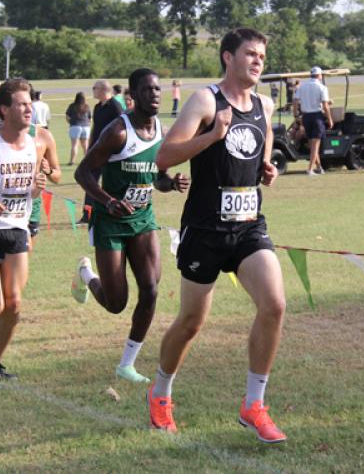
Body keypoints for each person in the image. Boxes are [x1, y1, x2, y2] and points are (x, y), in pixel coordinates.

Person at [147, 28, 287, 444]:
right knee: (191, 322)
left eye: (262, 55)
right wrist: (211, 135)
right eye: (250, 53)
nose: (258, 61)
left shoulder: (265, 103)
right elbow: (164, 156)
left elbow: (260, 152)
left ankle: (254, 405)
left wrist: (267, 169)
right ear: (228, 57)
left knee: (274, 305)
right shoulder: (206, 101)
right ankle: (160, 394)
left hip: (248, 227)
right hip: (205, 230)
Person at [71, 68, 189, 383]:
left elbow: (158, 177)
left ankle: (127, 364)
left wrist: (170, 183)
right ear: (133, 96)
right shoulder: (117, 132)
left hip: (143, 220)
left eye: (158, 89)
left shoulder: (163, 130)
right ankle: (85, 275)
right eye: (147, 90)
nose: (155, 95)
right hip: (110, 222)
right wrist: (107, 199)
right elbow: (82, 173)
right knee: (116, 303)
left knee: (150, 289)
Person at [0, 78, 47, 379]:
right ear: (4, 109)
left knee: (13, 304)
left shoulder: (38, 142)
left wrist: (36, 186)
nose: (28, 108)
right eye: (21, 103)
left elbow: (29, 187)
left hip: (17, 229)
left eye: (30, 103)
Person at [78, 80, 123, 224]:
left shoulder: (115, 106)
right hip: (96, 152)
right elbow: (95, 129)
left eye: (94, 88)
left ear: (103, 90)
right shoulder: (97, 107)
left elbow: (122, 128)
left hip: (112, 154)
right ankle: (87, 214)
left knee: (112, 183)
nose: (92, 90)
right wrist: (89, 148)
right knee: (90, 182)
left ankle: (115, 210)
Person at [293, 66, 333, 176]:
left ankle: (319, 167)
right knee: (315, 146)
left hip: (306, 117)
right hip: (317, 117)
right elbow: (325, 105)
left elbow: (295, 102)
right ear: (319, 76)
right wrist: (330, 119)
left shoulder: (302, 86)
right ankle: (310, 169)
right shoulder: (322, 87)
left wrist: (296, 114)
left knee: (312, 145)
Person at [28, 123, 62, 247]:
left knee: (24, 257)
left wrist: (48, 171)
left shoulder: (43, 136)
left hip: (32, 204)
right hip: (3, 205)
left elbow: (57, 177)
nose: (27, 109)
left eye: (28, 104)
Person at [65, 92, 91, 165]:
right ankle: (88, 160)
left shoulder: (72, 106)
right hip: (86, 127)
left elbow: (67, 117)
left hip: (75, 126)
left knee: (75, 145)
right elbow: (90, 118)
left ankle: (72, 161)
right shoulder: (87, 106)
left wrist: (71, 122)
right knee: (85, 145)